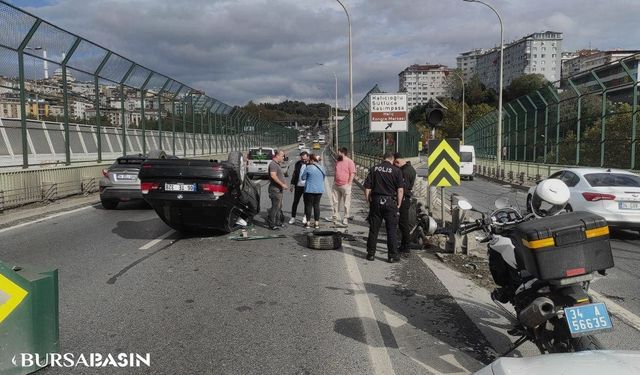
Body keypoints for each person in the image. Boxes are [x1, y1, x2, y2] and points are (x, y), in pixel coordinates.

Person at [364, 151, 404, 263]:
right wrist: (399, 204)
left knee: (373, 229)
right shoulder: (397, 171)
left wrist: (369, 201)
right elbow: (400, 189)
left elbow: (367, 188)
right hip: (390, 202)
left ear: (383, 158)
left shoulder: (374, 169)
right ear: (392, 160)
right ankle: (392, 256)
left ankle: (370, 254)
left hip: (376, 201)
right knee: (391, 230)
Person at [393, 152, 417, 257]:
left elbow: (402, 188)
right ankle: (404, 245)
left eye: (394, 164)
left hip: (403, 199)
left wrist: (398, 201)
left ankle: (406, 247)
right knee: (403, 223)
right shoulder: (410, 168)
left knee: (403, 223)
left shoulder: (404, 172)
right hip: (406, 198)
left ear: (397, 161)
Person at [325, 147, 356, 225]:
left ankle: (345, 218)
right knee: (335, 202)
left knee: (346, 203)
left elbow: (352, 173)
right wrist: (334, 181)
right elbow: (336, 172)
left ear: (342, 153)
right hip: (336, 185)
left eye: (338, 152)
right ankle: (335, 216)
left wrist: (349, 184)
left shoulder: (350, 162)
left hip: (346, 185)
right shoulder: (338, 161)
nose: (337, 153)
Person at [300, 154, 326, 229]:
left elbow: (303, 177)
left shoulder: (308, 167)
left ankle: (308, 223)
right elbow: (323, 178)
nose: (308, 161)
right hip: (319, 190)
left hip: (309, 190)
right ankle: (316, 223)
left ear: (311, 160)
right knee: (317, 206)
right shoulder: (322, 168)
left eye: (309, 160)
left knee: (309, 206)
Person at [267, 150, 288, 230]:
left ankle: (278, 222)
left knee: (279, 207)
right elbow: (273, 176)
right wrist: (282, 184)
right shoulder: (273, 164)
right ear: (277, 156)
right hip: (275, 189)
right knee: (275, 207)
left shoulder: (276, 164)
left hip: (278, 189)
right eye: (282, 156)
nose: (283, 158)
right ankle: (271, 224)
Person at [289, 151, 309, 224]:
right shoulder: (297, 164)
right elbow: (294, 175)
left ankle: (305, 217)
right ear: (301, 158)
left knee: (306, 202)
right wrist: (292, 184)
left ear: (307, 157)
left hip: (306, 187)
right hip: (298, 186)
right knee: (295, 202)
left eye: (305, 159)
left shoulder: (310, 164)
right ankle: (293, 217)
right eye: (302, 159)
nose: (304, 160)